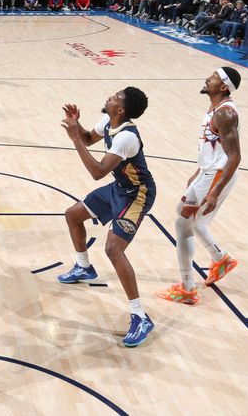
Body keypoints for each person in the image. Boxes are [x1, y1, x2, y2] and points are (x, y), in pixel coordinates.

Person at [57, 88, 156, 347]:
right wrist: (76, 126)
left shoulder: (127, 137)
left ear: (121, 110)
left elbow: (98, 171)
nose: (110, 97)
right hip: (119, 188)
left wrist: (74, 139)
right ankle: (84, 266)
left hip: (138, 194)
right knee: (73, 216)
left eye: (115, 97)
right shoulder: (108, 122)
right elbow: (89, 139)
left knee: (114, 249)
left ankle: (139, 316)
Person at [157, 68, 242, 305]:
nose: (208, 78)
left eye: (214, 77)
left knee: (183, 223)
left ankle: (187, 288)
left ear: (224, 86)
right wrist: (198, 171)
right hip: (208, 173)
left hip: (216, 176)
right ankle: (221, 259)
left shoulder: (225, 114)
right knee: (193, 219)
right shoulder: (216, 109)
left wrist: (214, 191)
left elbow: (234, 156)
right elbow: (214, 148)